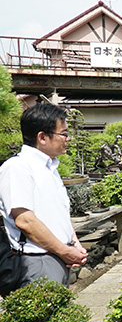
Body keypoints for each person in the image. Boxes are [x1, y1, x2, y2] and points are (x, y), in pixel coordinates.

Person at [0, 103, 88, 289]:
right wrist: (65, 251)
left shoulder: (50, 168)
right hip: (36, 260)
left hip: (57, 256)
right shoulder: (18, 167)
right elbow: (25, 221)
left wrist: (74, 244)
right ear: (42, 137)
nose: (68, 139)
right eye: (63, 134)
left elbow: (59, 214)